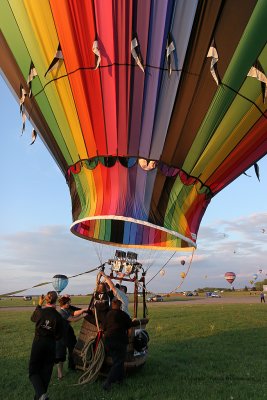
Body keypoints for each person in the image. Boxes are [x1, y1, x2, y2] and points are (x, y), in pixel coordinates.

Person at [29, 291, 64, 400]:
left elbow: (32, 318)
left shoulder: (40, 312)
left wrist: (39, 304)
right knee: (46, 371)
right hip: (50, 345)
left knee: (33, 371)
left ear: (46, 300)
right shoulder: (58, 317)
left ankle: (41, 394)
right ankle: (40, 396)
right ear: (56, 301)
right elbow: (59, 336)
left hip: (38, 343)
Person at [102, 298, 132, 391]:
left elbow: (103, 328)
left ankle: (120, 381)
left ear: (112, 306)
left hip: (108, 340)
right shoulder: (124, 315)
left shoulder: (108, 315)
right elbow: (130, 329)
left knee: (118, 361)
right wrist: (128, 338)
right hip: (120, 341)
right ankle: (108, 382)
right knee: (119, 362)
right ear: (121, 306)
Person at [56, 295, 88, 378]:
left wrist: (83, 310)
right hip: (62, 335)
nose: (69, 304)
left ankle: (72, 367)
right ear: (63, 304)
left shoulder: (66, 310)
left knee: (72, 350)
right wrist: (83, 315)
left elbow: (74, 313)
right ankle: (60, 374)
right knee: (61, 354)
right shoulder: (62, 312)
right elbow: (73, 319)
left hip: (68, 333)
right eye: (68, 303)